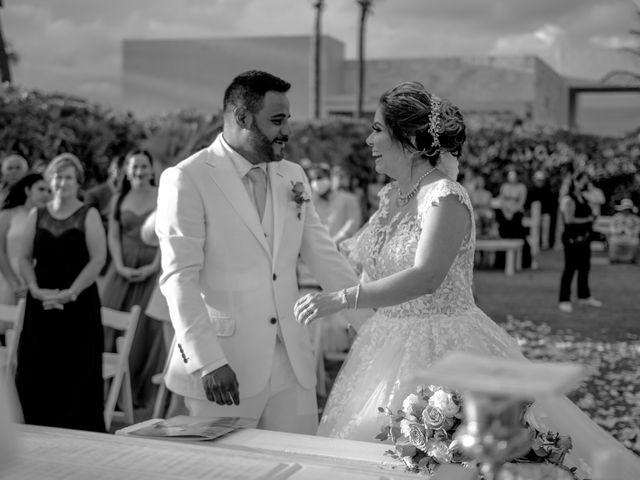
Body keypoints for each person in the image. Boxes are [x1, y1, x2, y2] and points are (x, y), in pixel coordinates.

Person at [294, 81, 640, 476]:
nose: (369, 139)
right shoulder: (391, 197)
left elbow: (425, 276)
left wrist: (342, 299)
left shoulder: (445, 197)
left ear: (407, 137)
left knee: (449, 460)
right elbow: (359, 253)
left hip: (445, 346)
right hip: (381, 344)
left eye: (376, 129)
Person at [155, 70, 369, 434]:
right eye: (277, 120)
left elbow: (324, 257)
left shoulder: (293, 176)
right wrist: (208, 362)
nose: (287, 130)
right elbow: (180, 278)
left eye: (288, 119)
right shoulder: (187, 178)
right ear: (242, 117)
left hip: (293, 363)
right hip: (225, 367)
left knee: (300, 468)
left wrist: (370, 329)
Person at [15, 153, 106, 432]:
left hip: (78, 304)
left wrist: (72, 292)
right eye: (57, 175)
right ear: (49, 179)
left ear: (78, 182)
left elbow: (98, 259)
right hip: (40, 303)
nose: (61, 181)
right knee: (36, 367)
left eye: (68, 176)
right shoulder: (37, 215)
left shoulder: (88, 214)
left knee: (75, 369)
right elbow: (23, 257)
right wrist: (34, 289)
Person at [101, 149, 163, 409]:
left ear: (151, 169)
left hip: (152, 268)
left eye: (143, 166)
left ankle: (137, 392)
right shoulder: (119, 198)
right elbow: (113, 236)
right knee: (110, 324)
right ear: (126, 170)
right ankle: (108, 390)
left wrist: (154, 266)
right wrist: (119, 265)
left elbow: (167, 234)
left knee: (146, 329)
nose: (139, 172)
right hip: (122, 269)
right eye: (134, 166)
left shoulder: (163, 196)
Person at [0, 174, 51, 310]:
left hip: (39, 282)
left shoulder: (50, 220)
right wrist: (14, 284)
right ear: (27, 190)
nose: (46, 194)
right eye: (41, 189)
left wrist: (32, 285)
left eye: (49, 191)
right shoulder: (8, 215)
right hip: (8, 279)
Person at [558, 171, 602, 313]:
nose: (586, 183)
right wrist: (587, 220)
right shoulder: (568, 199)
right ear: (575, 182)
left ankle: (584, 296)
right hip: (572, 239)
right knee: (570, 268)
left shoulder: (583, 197)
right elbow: (568, 220)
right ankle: (564, 299)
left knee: (584, 267)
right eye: (583, 181)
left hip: (585, 238)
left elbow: (598, 200)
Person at [608, 198, 640, 263]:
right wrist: (615, 232)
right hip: (618, 235)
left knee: (636, 242)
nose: (626, 211)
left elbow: (638, 227)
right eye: (625, 209)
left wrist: (634, 233)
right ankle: (613, 258)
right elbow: (612, 226)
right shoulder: (616, 217)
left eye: (628, 209)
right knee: (613, 241)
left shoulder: (635, 218)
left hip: (630, 236)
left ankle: (633, 258)